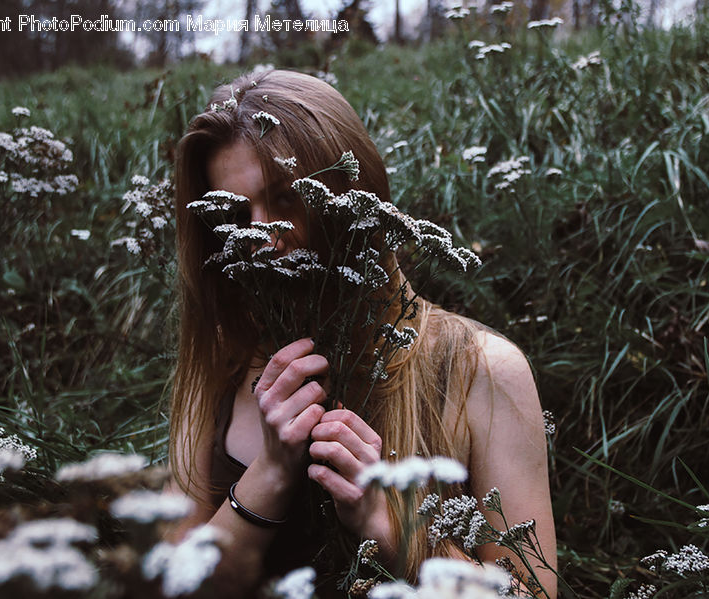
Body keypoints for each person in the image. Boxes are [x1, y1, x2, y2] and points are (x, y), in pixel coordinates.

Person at [167, 69, 556, 598]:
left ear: (355, 196)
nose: (260, 237)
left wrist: (392, 524)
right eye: (234, 214)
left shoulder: (478, 368)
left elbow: (533, 594)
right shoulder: (221, 363)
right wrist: (271, 476)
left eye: (285, 199)